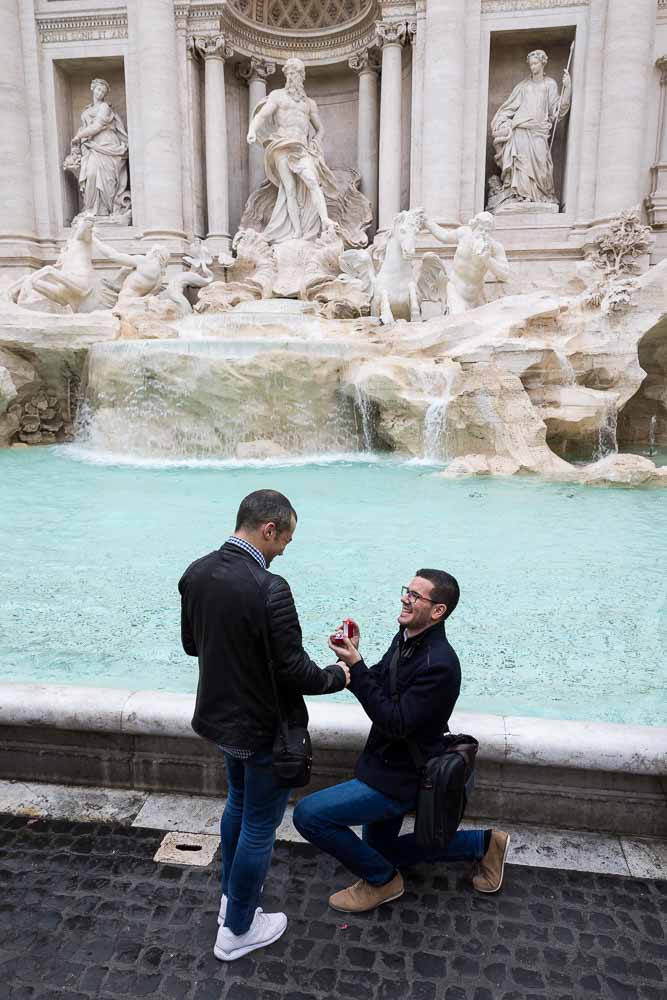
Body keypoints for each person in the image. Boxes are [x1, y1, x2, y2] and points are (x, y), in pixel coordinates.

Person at [178, 490, 349, 961]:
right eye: (286, 538)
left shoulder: (195, 571)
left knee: (236, 806)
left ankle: (230, 903)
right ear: (269, 529)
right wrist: (340, 675)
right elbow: (296, 671)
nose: (284, 549)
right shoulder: (270, 587)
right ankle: (236, 931)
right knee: (258, 825)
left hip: (222, 722)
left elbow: (194, 646)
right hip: (263, 729)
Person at [293, 570, 510, 912]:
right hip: (382, 764)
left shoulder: (439, 664)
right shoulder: (407, 637)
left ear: (437, 611)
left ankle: (382, 881)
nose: (405, 598)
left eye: (415, 595)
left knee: (308, 815)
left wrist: (358, 667)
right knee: (381, 851)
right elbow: (380, 678)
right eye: (406, 590)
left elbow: (394, 723)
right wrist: (353, 656)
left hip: (403, 777)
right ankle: (483, 844)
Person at [247, 57, 337, 242]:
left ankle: (325, 219)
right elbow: (263, 115)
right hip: (281, 144)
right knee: (289, 189)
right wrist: (252, 130)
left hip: (302, 147)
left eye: (296, 73)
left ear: (302, 76)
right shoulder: (277, 96)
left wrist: (316, 141)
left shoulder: (309, 103)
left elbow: (320, 128)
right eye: (290, 73)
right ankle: (297, 232)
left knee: (312, 180)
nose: (292, 76)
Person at [490, 49, 572, 207]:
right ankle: (522, 196)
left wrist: (567, 89)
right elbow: (508, 108)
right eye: (531, 64)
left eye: (536, 64)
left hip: (539, 130)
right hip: (520, 128)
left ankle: (541, 195)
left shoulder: (550, 84)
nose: (533, 67)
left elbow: (557, 109)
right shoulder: (523, 86)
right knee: (522, 164)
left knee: (542, 163)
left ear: (543, 63)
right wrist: (502, 122)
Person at [421, 211, 510, 314]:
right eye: (481, 229)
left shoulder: (494, 247)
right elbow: (444, 236)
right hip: (456, 290)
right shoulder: (463, 234)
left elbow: (504, 274)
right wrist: (427, 222)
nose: (483, 233)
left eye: (487, 231)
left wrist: (488, 259)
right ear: (474, 226)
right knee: (457, 318)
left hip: (477, 295)